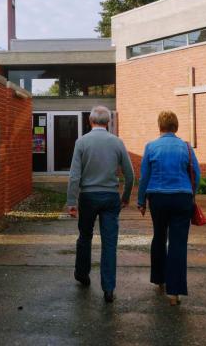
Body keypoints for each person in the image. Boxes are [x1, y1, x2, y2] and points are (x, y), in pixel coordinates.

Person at [66, 105, 134, 303]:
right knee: (110, 242)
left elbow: (74, 176)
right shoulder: (117, 142)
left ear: (90, 120)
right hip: (110, 196)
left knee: (85, 237)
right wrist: (125, 197)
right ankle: (109, 288)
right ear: (109, 122)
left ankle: (82, 273)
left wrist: (72, 201)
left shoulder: (82, 142)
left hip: (87, 197)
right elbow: (130, 175)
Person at [136, 110, 200, 305]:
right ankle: (175, 292)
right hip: (182, 198)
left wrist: (141, 201)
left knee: (159, 236)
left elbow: (144, 176)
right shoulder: (186, 147)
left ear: (160, 126)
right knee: (178, 243)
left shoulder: (151, 147)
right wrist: (191, 194)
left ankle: (159, 278)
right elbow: (196, 174)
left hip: (158, 198)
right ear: (176, 126)